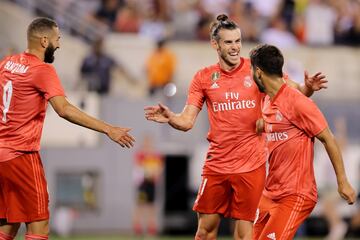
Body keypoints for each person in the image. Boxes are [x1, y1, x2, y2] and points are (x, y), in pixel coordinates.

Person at [144, 14, 327, 240]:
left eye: (238, 41)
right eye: (228, 42)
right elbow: (187, 121)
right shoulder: (203, 78)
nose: (235, 47)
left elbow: (292, 91)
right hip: (217, 165)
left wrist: (307, 87)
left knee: (244, 235)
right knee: (204, 231)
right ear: (215, 44)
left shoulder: (256, 70)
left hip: (251, 166)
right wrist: (171, 117)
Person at [0, 17, 135, 240]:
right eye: (57, 39)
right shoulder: (42, 70)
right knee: (39, 227)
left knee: (7, 226)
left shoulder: (6, 63)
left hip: (1, 155)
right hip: (21, 155)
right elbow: (64, 109)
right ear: (44, 41)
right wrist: (108, 128)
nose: (59, 44)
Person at [249, 44, 356, 240]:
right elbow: (280, 115)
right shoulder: (269, 98)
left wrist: (343, 182)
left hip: (295, 194)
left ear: (258, 72)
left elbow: (328, 139)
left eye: (251, 70)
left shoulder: (298, 102)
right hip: (270, 192)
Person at [132, 134, 164, 236]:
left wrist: (154, 173)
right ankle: (138, 229)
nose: (147, 144)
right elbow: (139, 168)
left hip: (152, 184)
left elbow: (159, 168)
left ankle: (151, 229)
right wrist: (148, 172)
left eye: (148, 142)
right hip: (142, 184)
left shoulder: (156, 155)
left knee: (151, 207)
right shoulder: (140, 155)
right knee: (140, 206)